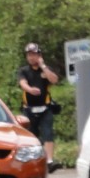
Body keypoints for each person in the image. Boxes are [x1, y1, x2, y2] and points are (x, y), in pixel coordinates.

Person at [17, 42, 60, 170]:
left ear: (39, 55)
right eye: (29, 55)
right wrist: (30, 90)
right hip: (29, 109)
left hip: (45, 108)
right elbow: (22, 83)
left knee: (48, 134)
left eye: (34, 54)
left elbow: (54, 80)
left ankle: (49, 162)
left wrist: (43, 66)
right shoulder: (23, 70)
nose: (31, 57)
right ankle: (32, 162)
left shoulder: (45, 69)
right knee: (31, 136)